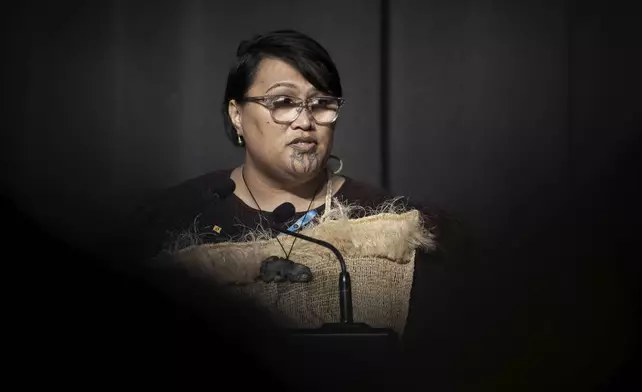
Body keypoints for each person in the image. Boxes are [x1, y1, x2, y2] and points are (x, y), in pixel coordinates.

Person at [121, 29, 465, 390]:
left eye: (321, 104)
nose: (305, 121)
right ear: (236, 114)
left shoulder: (395, 224)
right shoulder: (171, 218)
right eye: (283, 103)